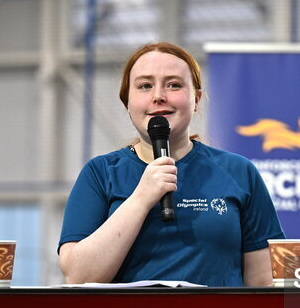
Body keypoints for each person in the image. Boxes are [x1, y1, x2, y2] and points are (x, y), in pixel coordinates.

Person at [58, 42, 284, 287]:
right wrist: (142, 197)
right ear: (127, 102)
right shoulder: (100, 174)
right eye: (145, 86)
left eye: (174, 85)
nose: (158, 96)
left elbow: (263, 283)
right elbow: (78, 276)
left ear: (196, 99)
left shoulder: (238, 172)